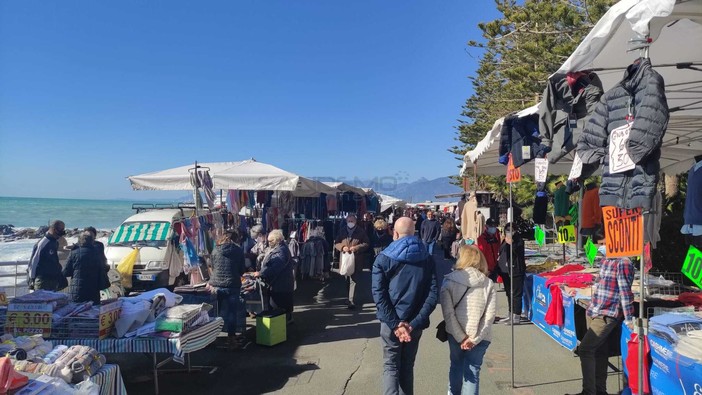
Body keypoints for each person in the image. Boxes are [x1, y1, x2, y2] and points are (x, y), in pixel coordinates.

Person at [371, 217, 438, 395]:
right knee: (407, 367)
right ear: (414, 232)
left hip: (390, 322)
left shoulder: (383, 259)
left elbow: (379, 294)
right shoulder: (427, 258)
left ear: (395, 233)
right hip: (414, 323)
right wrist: (413, 323)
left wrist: (395, 324)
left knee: (391, 366)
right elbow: (432, 295)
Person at [568, 231, 634, 395]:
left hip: (607, 313)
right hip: (594, 309)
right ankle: (599, 390)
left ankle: (588, 391)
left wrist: (630, 318)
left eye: (602, 243)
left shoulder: (624, 262)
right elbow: (598, 283)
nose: (600, 247)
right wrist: (579, 291)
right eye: (599, 244)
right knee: (599, 351)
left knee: (585, 349)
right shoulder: (607, 260)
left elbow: (625, 293)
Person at [440, 245, 497, 395]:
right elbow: (489, 316)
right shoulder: (488, 283)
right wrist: (475, 338)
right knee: (473, 371)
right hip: (480, 336)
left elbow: (448, 313)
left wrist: (461, 337)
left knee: (456, 366)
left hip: (455, 334)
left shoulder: (449, 281)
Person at [207, 230, 247, 349]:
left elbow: (212, 266)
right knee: (231, 312)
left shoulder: (215, 250)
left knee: (216, 312)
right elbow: (241, 270)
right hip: (232, 284)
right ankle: (231, 338)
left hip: (216, 284)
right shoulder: (238, 251)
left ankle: (212, 337)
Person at [256, 229, 295, 323]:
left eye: (271, 241)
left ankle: (282, 324)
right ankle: (283, 321)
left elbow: (275, 268)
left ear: (277, 240)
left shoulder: (281, 251)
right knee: (280, 305)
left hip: (280, 284)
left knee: (279, 305)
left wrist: (261, 273)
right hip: (281, 283)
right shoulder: (279, 248)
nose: (269, 243)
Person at [334, 214, 370, 310]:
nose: (350, 223)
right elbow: (336, 243)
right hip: (345, 258)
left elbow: (366, 243)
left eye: (352, 221)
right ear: (346, 221)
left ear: (355, 221)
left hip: (356, 259)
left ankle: (351, 300)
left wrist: (357, 248)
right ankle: (348, 297)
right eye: (349, 221)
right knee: (346, 279)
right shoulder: (342, 231)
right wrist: (342, 247)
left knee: (353, 280)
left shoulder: (361, 231)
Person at [496, 223, 526, 325]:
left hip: (516, 271)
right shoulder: (504, 240)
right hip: (505, 272)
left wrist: (511, 243)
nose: (509, 233)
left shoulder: (518, 240)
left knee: (516, 294)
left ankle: (516, 316)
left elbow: (517, 252)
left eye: (511, 230)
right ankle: (510, 314)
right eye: (507, 230)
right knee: (509, 293)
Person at [62, 232, 103, 304]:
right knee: (93, 311)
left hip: (77, 290)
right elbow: (102, 269)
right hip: (93, 289)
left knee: (76, 312)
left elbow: (65, 272)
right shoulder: (97, 253)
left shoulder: (74, 253)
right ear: (92, 241)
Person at [27, 220, 67, 291]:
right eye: (60, 231)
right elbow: (34, 262)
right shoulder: (44, 242)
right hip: (42, 280)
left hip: (52, 279)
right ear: (53, 229)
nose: (61, 234)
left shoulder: (55, 242)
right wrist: (31, 279)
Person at [477, 218, 501, 282]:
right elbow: (481, 253)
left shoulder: (495, 236)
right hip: (486, 267)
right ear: (486, 226)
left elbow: (498, 248)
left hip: (494, 266)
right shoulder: (482, 238)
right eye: (491, 226)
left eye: (495, 226)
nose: (493, 228)